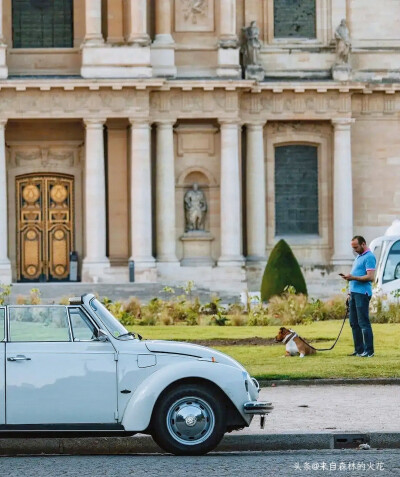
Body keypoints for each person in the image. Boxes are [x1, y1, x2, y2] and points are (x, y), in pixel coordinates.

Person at [340, 236, 376, 357]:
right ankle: (359, 350)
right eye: (353, 247)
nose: (354, 249)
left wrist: (353, 277)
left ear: (363, 244)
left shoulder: (369, 257)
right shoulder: (358, 257)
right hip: (354, 293)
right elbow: (355, 275)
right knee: (354, 323)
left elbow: (370, 277)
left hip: (362, 294)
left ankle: (369, 351)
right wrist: (349, 292)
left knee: (363, 323)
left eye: (356, 247)